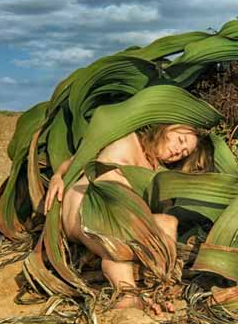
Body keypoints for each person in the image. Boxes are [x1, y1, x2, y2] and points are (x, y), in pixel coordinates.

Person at [44, 124, 211, 312]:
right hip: (85, 208)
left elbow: (158, 219)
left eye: (184, 153)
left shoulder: (158, 176)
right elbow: (80, 158)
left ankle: (158, 289)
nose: (178, 151)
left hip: (120, 222)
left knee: (168, 222)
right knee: (120, 245)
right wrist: (58, 176)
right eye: (180, 140)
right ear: (166, 129)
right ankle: (128, 295)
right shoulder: (126, 138)